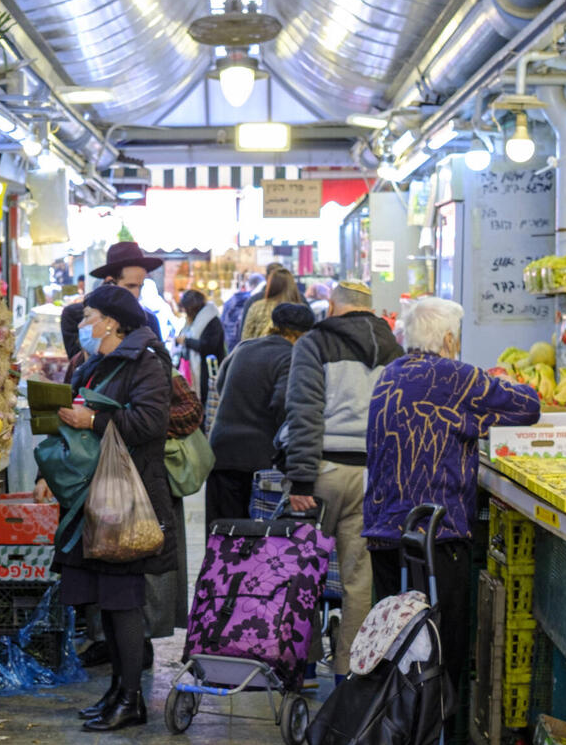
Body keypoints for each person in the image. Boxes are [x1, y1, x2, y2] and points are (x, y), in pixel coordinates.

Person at [364, 298, 541, 700]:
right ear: (447, 339)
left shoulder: (388, 375)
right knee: (441, 646)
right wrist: (507, 381)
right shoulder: (456, 378)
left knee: (396, 642)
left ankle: (397, 736)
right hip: (435, 535)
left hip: (382, 531)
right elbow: (528, 407)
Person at [55, 283, 179, 732]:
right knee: (107, 600)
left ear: (111, 321)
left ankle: (132, 699)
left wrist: (93, 419)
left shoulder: (146, 360)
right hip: (97, 494)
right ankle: (116, 692)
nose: (83, 324)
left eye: (88, 316)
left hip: (128, 499)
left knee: (124, 599)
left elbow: (150, 422)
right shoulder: (99, 361)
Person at [285, 280, 402, 678]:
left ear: (333, 306)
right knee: (358, 582)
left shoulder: (314, 343)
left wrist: (299, 480)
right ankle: (350, 673)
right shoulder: (394, 349)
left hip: (323, 474)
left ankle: (300, 665)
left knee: (303, 573)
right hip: (371, 478)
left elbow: (304, 412)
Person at [206, 302, 312, 524]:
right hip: (259, 461)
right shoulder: (291, 356)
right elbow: (284, 404)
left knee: (224, 537)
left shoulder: (243, 347)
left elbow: (220, 385)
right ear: (304, 334)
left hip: (221, 453)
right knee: (257, 541)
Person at [178, 290, 226, 404]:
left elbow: (208, 347)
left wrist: (186, 341)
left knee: (206, 404)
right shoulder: (198, 320)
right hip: (201, 371)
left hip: (208, 372)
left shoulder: (211, 321)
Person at [241, 267, 300, 343]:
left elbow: (246, 338)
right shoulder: (299, 310)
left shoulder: (256, 306)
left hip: (260, 351)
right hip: (291, 353)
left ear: (270, 284)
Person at [220, 272, 263, 350]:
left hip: (230, 342)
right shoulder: (255, 302)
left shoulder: (232, 299)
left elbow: (222, 321)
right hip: (247, 345)